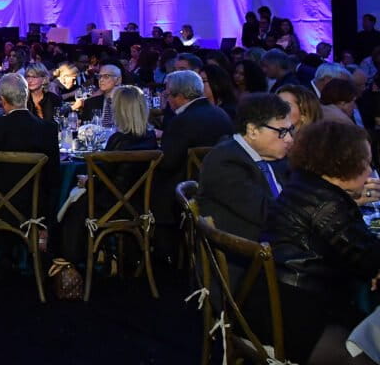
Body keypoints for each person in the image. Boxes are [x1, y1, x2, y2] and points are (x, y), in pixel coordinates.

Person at [258, 121, 380, 364]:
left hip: (268, 304)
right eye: (366, 162)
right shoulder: (328, 205)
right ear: (345, 164)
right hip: (300, 321)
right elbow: (368, 260)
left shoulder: (302, 183)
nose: (370, 170)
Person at [0, 73, 61, 258]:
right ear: (26, 96)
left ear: (2, 100)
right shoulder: (48, 129)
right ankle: (11, 257)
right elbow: (54, 178)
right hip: (35, 208)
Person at [57, 86, 158, 265]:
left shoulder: (117, 140)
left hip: (111, 204)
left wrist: (87, 182)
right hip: (139, 203)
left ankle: (70, 260)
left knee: (72, 200)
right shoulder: (150, 138)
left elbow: (106, 179)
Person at [197, 93, 294, 241]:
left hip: (272, 241)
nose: (289, 139)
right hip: (248, 254)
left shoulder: (272, 158)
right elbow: (266, 213)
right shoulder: (224, 161)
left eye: (290, 131)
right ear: (252, 131)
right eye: (282, 132)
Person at [152, 70, 234, 237]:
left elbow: (167, 163)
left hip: (186, 191)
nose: (167, 99)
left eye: (168, 94)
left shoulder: (182, 121)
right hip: (218, 185)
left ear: (179, 95)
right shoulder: (220, 113)